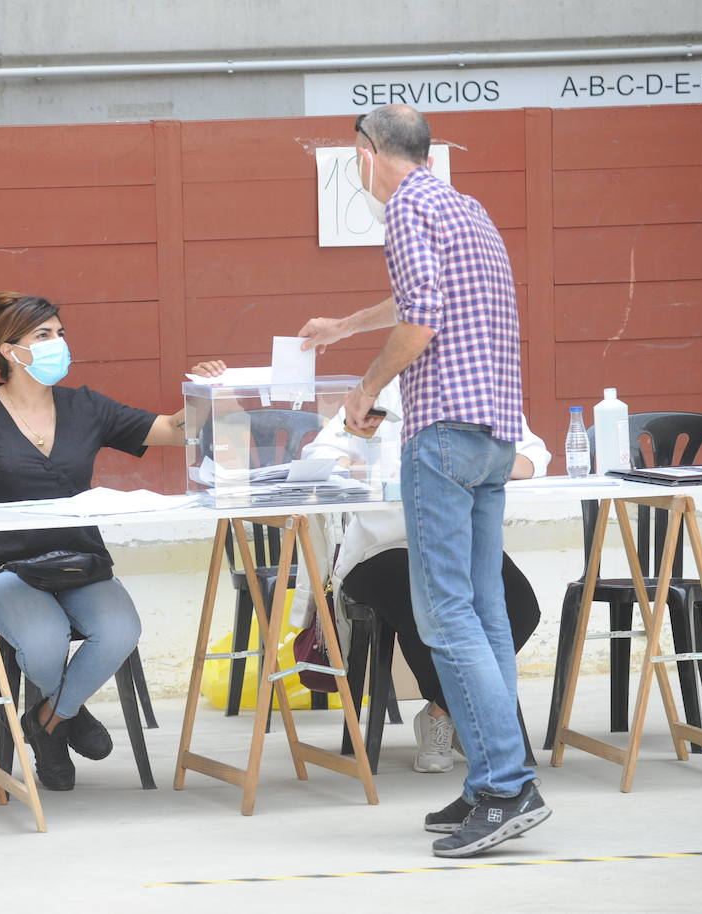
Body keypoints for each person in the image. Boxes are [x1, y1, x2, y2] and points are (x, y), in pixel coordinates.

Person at [298, 104, 551, 857]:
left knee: (444, 618)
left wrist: (363, 389)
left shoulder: (406, 210)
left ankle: (506, 786)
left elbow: (421, 325)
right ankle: (493, 780)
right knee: (483, 613)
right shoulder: (463, 207)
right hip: (493, 435)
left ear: (369, 153)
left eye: (355, 158)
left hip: (440, 433)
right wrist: (345, 325)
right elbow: (421, 298)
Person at [0, 290, 219, 791]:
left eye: (60, 333)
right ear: (10, 351)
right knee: (45, 640)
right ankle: (66, 717)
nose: (59, 344)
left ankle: (47, 721)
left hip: (76, 561)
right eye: (44, 336)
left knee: (119, 631)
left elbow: (170, 431)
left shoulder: (84, 407)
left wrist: (206, 396)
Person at [299, 376, 549, 775]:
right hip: (383, 547)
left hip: (460, 542)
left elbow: (533, 454)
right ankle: (463, 723)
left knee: (520, 606)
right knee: (429, 605)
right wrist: (351, 463)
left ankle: (440, 712)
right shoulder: (381, 396)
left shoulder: (480, 391)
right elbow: (322, 453)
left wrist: (494, 462)